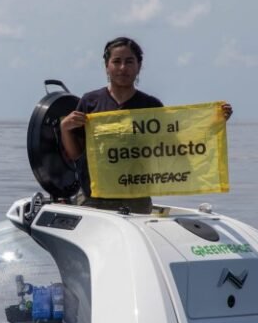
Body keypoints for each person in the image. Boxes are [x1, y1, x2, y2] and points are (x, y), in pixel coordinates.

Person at [60, 36, 233, 212]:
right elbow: (77, 154)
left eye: (129, 61)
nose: (123, 68)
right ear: (107, 66)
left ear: (139, 66)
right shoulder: (90, 102)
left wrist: (212, 123)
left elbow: (175, 147)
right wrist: (65, 128)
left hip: (136, 200)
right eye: (116, 61)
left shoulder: (151, 106)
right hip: (93, 199)